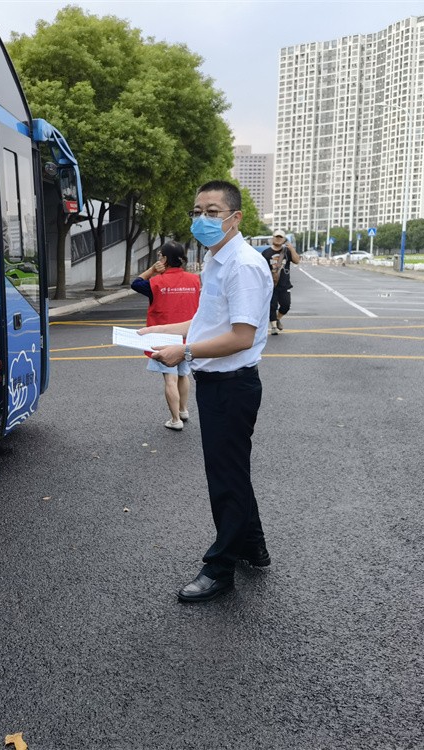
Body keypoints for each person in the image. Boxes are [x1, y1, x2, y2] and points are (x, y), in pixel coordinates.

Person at [141, 180, 273, 603]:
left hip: (233, 386)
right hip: (215, 383)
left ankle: (220, 568)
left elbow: (241, 337)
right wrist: (158, 330)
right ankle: (253, 546)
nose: (202, 219)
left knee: (226, 478)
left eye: (212, 212)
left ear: (235, 217)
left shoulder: (243, 266)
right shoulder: (216, 259)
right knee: (232, 472)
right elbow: (204, 321)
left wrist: (184, 350)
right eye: (197, 212)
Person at [131, 241, 201, 430]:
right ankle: (184, 410)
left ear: (164, 259)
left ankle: (175, 420)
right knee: (183, 375)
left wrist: (152, 270)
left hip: (163, 337)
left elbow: (136, 283)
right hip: (187, 336)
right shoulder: (195, 280)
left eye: (160, 256)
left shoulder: (156, 282)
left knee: (170, 378)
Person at [262, 230, 301, 334]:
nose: (278, 239)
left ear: (284, 239)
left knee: (286, 305)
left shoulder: (287, 252)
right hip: (271, 284)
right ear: (272, 238)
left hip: (284, 284)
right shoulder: (266, 253)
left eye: (280, 237)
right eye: (276, 237)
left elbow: (297, 261)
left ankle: (278, 318)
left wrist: (291, 249)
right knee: (272, 306)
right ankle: (274, 327)